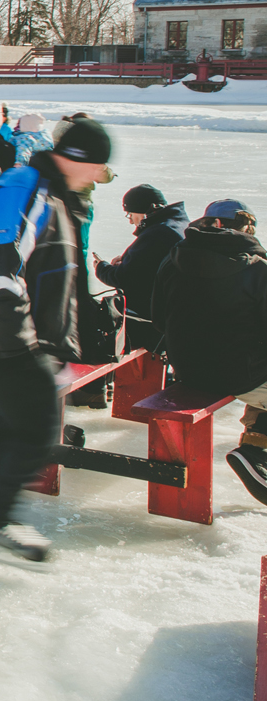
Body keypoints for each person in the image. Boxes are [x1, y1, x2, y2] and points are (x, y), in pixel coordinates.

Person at [0, 117, 113, 562]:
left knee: (3, 427)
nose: (99, 177)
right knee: (38, 425)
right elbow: (0, 271)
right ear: (77, 159)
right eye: (99, 167)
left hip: (10, 336)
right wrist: (22, 346)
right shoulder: (24, 189)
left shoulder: (51, 194)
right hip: (3, 336)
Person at [153, 199, 267, 503]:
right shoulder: (258, 267)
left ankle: (255, 446)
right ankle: (254, 450)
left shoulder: (173, 258)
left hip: (188, 369)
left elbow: (158, 319)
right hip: (241, 374)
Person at [91, 184, 189, 352]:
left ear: (145, 211)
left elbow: (124, 278)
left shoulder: (157, 233)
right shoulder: (180, 224)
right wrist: (129, 259)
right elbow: (149, 265)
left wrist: (102, 267)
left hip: (151, 324)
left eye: (130, 214)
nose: (130, 220)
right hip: (175, 317)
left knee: (89, 315)